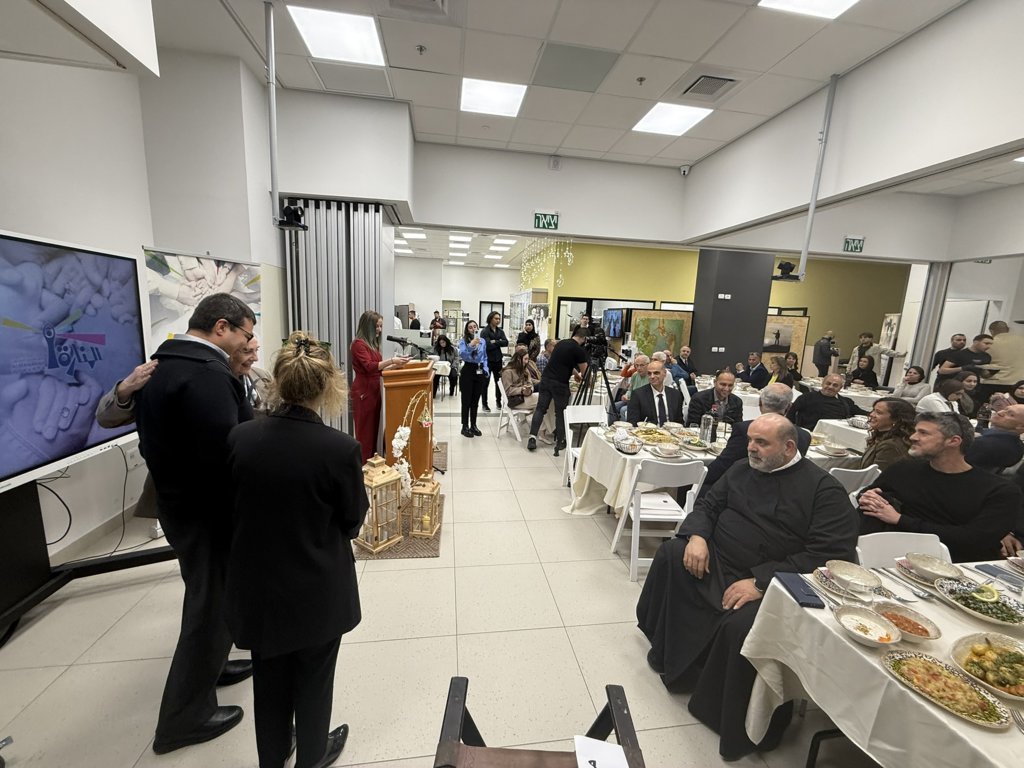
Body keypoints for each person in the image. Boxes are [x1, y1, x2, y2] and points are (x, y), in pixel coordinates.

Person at [637, 414, 857, 760]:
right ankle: (672, 656)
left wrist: (761, 581)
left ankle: (718, 710)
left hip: (773, 578)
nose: (751, 448)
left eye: (761, 443)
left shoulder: (823, 490)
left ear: (788, 447)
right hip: (718, 558)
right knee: (671, 555)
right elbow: (708, 504)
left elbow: (828, 553)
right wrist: (697, 537)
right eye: (751, 440)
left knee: (741, 626)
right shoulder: (742, 468)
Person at [225, 332, 365, 768]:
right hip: (317, 592)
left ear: (279, 382)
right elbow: (351, 521)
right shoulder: (340, 450)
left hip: (259, 589)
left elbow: (233, 507)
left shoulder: (241, 438)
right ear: (327, 387)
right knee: (315, 684)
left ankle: (272, 759)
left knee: (269, 684)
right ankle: (310, 758)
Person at [134, 294, 257, 754]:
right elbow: (226, 454)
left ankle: (214, 667)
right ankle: (183, 718)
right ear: (221, 327)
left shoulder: (163, 364)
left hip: (178, 505)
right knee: (209, 607)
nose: (249, 345)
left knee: (209, 597)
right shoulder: (207, 375)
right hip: (207, 513)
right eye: (246, 335)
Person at [859, 412, 1020, 562]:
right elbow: (868, 492)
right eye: (916, 431)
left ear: (953, 441)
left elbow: (973, 539)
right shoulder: (903, 469)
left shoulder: (999, 491)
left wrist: (899, 519)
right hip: (893, 556)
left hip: (959, 565)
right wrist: (868, 497)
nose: (913, 437)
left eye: (923, 433)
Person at [701, 384, 810, 491]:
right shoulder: (804, 436)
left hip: (745, 491)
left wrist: (698, 477)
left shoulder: (744, 429)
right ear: (789, 406)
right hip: (786, 493)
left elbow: (722, 466)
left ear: (760, 402)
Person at [350, 311, 409, 462]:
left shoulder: (373, 345)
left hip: (374, 391)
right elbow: (369, 367)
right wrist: (392, 361)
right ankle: (363, 466)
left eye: (381, 326)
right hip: (364, 392)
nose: (380, 330)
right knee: (364, 433)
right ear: (368, 326)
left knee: (372, 432)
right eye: (377, 326)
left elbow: (378, 370)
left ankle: (370, 464)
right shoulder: (358, 344)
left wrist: (397, 366)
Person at [527, 325, 588, 453]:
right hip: (560, 383)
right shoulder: (579, 350)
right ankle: (560, 441)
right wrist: (587, 380)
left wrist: (575, 374)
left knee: (540, 409)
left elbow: (562, 362)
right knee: (560, 413)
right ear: (584, 338)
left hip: (546, 379)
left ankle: (532, 437)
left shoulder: (561, 343)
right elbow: (585, 372)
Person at [786, 373, 866, 429]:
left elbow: (863, 413)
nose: (830, 387)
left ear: (840, 388)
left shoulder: (847, 402)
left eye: (835, 385)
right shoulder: (806, 397)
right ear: (822, 384)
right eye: (828, 383)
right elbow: (790, 415)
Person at [965, 403, 1024, 473]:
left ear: (1021, 427)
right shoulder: (1014, 444)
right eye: (1005, 409)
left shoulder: (989, 445)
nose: (1000, 413)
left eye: (1011, 414)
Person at [861, 397, 916, 471]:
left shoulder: (890, 446)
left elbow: (876, 474)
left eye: (879, 412)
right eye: (873, 410)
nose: (871, 414)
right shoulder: (882, 436)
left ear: (895, 419)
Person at [627, 360, 683, 426]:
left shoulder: (675, 394)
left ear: (664, 373)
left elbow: (679, 422)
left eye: (656, 373)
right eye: (649, 374)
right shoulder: (638, 395)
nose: (652, 376)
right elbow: (632, 423)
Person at [458, 320, 488, 438]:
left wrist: (486, 369)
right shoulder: (463, 341)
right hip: (468, 370)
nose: (473, 329)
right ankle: (464, 426)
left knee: (475, 400)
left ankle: (473, 425)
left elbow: (485, 356)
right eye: (470, 327)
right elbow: (463, 355)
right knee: (466, 400)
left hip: (479, 371)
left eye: (475, 326)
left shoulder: (483, 341)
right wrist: (471, 345)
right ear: (467, 329)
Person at [979, 321, 1024, 402]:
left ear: (991, 331)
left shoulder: (989, 343)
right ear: (1008, 329)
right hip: (1018, 384)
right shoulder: (1022, 340)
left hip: (994, 383)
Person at [480, 311, 508, 411]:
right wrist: (499, 342)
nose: (498, 320)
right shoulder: (485, 331)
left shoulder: (500, 331)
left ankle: (498, 402)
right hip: (487, 360)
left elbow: (506, 342)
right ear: (490, 319)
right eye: (496, 318)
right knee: (485, 383)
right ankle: (484, 404)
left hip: (498, 359)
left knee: (498, 382)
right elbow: (487, 345)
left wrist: (495, 341)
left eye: (499, 319)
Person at [616, 354, 650, 419]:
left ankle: (626, 425)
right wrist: (626, 395)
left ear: (648, 365)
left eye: (642, 365)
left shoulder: (651, 377)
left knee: (623, 410)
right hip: (631, 400)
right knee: (614, 406)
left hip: (642, 404)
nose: (639, 368)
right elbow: (630, 389)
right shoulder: (635, 375)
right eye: (637, 365)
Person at [432, 334, 458, 399]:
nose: (442, 344)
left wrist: (453, 365)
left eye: (443, 342)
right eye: (440, 343)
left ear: (446, 341)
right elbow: (434, 357)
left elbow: (456, 358)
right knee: (434, 377)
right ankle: (433, 393)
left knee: (453, 376)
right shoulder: (436, 349)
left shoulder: (453, 349)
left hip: (450, 367)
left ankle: (451, 390)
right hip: (439, 368)